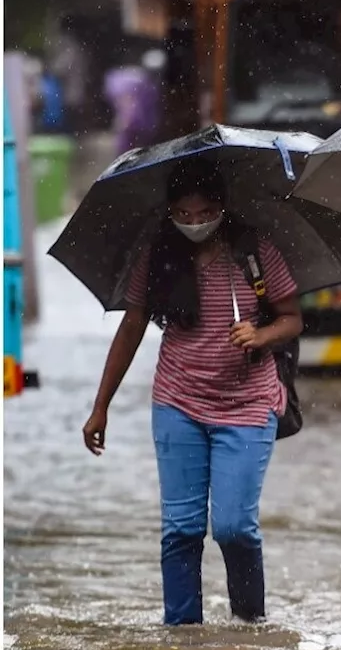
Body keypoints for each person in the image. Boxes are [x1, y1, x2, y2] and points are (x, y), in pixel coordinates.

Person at [81, 159, 302, 625]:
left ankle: (250, 625)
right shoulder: (158, 256)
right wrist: (100, 406)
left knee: (234, 527)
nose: (196, 223)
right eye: (184, 214)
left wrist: (260, 336)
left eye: (205, 213)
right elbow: (132, 327)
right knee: (181, 530)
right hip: (177, 402)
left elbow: (292, 318)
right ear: (170, 214)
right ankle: (182, 637)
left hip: (248, 404)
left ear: (222, 207)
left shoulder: (254, 251)